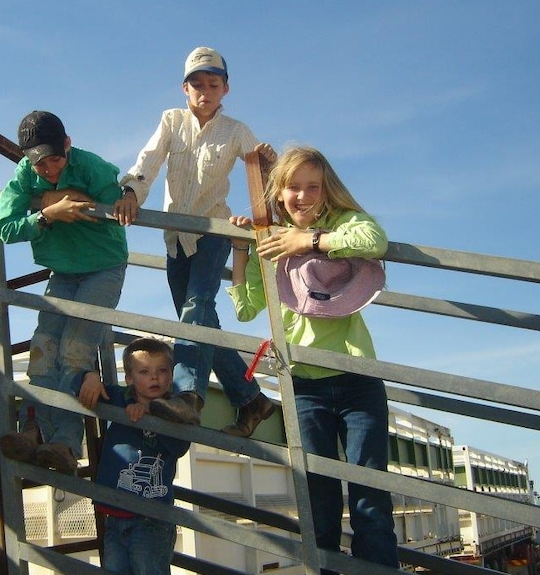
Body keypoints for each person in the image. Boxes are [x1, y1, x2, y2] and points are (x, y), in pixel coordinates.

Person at [227, 146, 399, 574]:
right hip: (303, 385)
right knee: (317, 497)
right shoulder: (270, 239)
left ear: (326, 191)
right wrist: (241, 250)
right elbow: (246, 308)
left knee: (369, 492)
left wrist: (311, 240)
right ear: (278, 192)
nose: (302, 197)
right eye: (292, 188)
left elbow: (374, 240)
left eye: (312, 187)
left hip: (357, 377)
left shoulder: (340, 224)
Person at [113, 46, 277, 436]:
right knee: (199, 322)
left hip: (214, 230)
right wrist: (132, 193)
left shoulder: (237, 130)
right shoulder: (171, 121)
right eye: (197, 84)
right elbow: (148, 160)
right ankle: (251, 400)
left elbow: (264, 178)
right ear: (185, 89)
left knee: (196, 306)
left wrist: (270, 164)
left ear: (225, 89)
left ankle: (188, 396)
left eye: (213, 84)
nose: (205, 91)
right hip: (175, 239)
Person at [0, 110, 128, 474]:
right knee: (42, 349)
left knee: (74, 350)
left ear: (68, 145)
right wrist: (48, 212)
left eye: (56, 159)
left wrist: (59, 196)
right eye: (41, 165)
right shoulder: (25, 175)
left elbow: (117, 203)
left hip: (103, 267)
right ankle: (33, 431)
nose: (50, 169)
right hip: (63, 271)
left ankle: (66, 444)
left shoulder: (93, 167)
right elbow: (6, 227)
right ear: (27, 160)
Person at [76, 337, 190, 575]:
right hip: (115, 517)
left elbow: (180, 446)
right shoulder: (118, 398)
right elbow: (78, 385)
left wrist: (152, 413)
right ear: (129, 378)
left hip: (153, 518)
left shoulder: (174, 411)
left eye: (162, 370)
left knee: (148, 570)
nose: (154, 377)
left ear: (171, 376)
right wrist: (90, 376)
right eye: (144, 371)